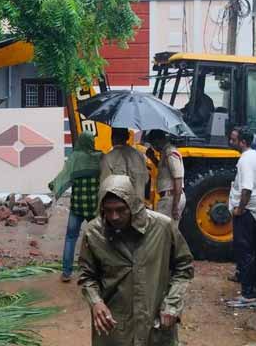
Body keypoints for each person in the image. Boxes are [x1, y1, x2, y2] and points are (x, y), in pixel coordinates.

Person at [78, 175, 194, 346]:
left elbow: (184, 266)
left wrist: (172, 303)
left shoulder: (162, 228)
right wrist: (96, 302)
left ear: (132, 205)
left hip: (154, 320)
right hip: (115, 325)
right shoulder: (94, 233)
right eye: (108, 210)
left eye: (120, 209)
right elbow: (87, 275)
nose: (114, 216)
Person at [49, 132, 102, 283]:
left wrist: (54, 184)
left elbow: (64, 175)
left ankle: (66, 273)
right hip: (94, 207)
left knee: (71, 238)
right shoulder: (99, 157)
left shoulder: (74, 158)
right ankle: (97, 272)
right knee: (98, 238)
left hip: (77, 206)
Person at [227, 127, 256, 308]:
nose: (230, 142)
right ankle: (254, 286)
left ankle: (248, 293)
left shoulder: (245, 160)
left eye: (234, 139)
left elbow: (247, 188)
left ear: (243, 142)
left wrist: (240, 209)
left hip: (247, 210)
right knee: (252, 249)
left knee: (244, 250)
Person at [145, 130, 185, 225]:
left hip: (171, 198)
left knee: (162, 230)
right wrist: (153, 158)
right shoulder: (165, 152)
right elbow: (165, 171)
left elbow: (178, 179)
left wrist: (175, 206)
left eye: (154, 144)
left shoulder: (170, 153)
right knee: (166, 232)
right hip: (169, 197)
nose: (154, 147)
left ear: (158, 141)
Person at [99, 128, 149, 201]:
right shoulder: (140, 155)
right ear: (127, 137)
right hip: (139, 204)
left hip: (121, 206)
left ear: (112, 138)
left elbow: (105, 186)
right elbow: (146, 180)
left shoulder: (108, 157)